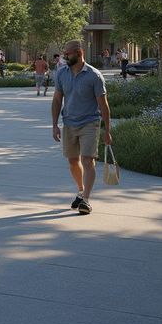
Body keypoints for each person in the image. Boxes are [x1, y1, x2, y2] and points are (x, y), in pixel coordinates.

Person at [51, 40, 112, 216]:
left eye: (67, 54)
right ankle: (80, 190)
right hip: (69, 122)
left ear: (79, 53)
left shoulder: (94, 75)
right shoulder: (62, 73)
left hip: (90, 123)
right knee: (72, 161)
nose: (64, 56)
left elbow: (104, 105)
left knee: (87, 160)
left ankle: (86, 200)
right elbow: (57, 100)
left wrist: (107, 130)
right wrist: (55, 125)